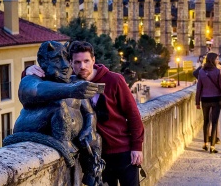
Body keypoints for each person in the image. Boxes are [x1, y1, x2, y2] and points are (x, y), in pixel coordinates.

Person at [26, 41, 144, 186]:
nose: (82, 66)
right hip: (99, 156)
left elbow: (133, 115)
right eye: (77, 62)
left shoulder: (114, 80)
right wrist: (28, 70)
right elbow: (37, 86)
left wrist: (137, 147)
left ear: (93, 60)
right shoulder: (70, 82)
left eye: (86, 61)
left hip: (123, 152)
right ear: (70, 63)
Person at [195, 52, 221, 154]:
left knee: (206, 121)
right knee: (214, 122)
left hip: (205, 99)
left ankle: (205, 143)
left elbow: (199, 88)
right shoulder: (217, 71)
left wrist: (197, 102)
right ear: (213, 60)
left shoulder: (201, 72)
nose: (218, 61)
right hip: (216, 99)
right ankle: (212, 146)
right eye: (217, 59)